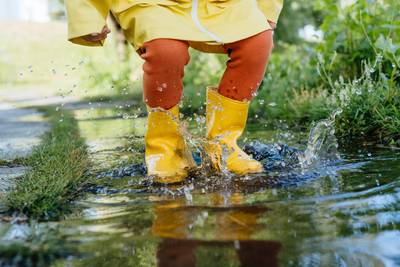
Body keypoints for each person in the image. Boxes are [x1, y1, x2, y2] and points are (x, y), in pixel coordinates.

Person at [65, 0, 283, 184]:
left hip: (222, 4)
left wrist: (266, 7)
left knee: (257, 41)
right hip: (153, 4)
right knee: (166, 51)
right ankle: (166, 149)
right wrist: (87, 17)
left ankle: (223, 146)